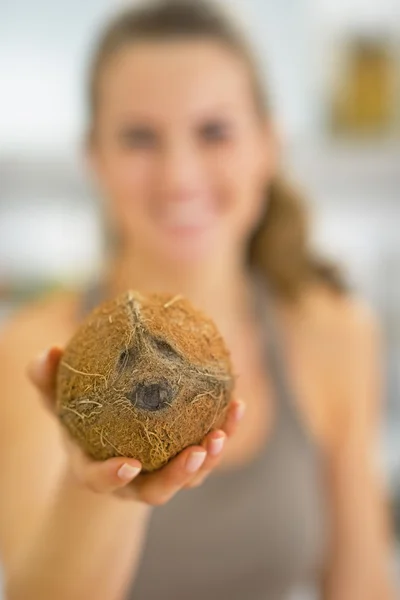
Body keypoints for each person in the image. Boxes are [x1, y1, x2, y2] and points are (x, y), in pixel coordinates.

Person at [0, 1, 396, 599]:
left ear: (268, 144)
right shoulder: (37, 352)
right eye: (139, 138)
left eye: (214, 131)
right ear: (94, 157)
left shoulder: (332, 331)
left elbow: (363, 585)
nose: (179, 175)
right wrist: (101, 494)